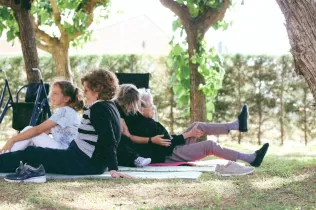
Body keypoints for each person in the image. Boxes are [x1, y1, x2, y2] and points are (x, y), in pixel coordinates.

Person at [0, 69, 131, 182]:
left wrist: (113, 168)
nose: (84, 94)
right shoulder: (110, 106)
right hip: (85, 160)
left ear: (97, 90)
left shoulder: (98, 109)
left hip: (81, 161)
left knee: (32, 154)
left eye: (86, 90)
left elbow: (108, 138)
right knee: (34, 153)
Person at [119, 86, 269, 174]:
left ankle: (236, 125)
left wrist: (186, 135)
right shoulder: (144, 125)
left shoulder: (145, 120)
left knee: (198, 124)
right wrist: (188, 135)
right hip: (170, 154)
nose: (153, 108)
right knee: (209, 146)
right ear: (140, 108)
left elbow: (166, 139)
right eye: (151, 105)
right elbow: (166, 143)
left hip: (173, 148)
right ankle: (251, 158)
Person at [1, 81, 82, 153]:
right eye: (52, 92)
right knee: (29, 134)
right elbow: (45, 131)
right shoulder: (68, 111)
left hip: (64, 151)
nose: (51, 95)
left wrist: (12, 140)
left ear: (66, 99)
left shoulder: (64, 111)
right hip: (65, 150)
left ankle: (4, 156)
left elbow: (37, 130)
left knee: (29, 130)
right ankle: (9, 157)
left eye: (56, 93)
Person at [113, 84, 152, 167]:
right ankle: (135, 159)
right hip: (114, 138)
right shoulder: (113, 107)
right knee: (121, 138)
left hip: (127, 138)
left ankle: (136, 157)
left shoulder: (128, 110)